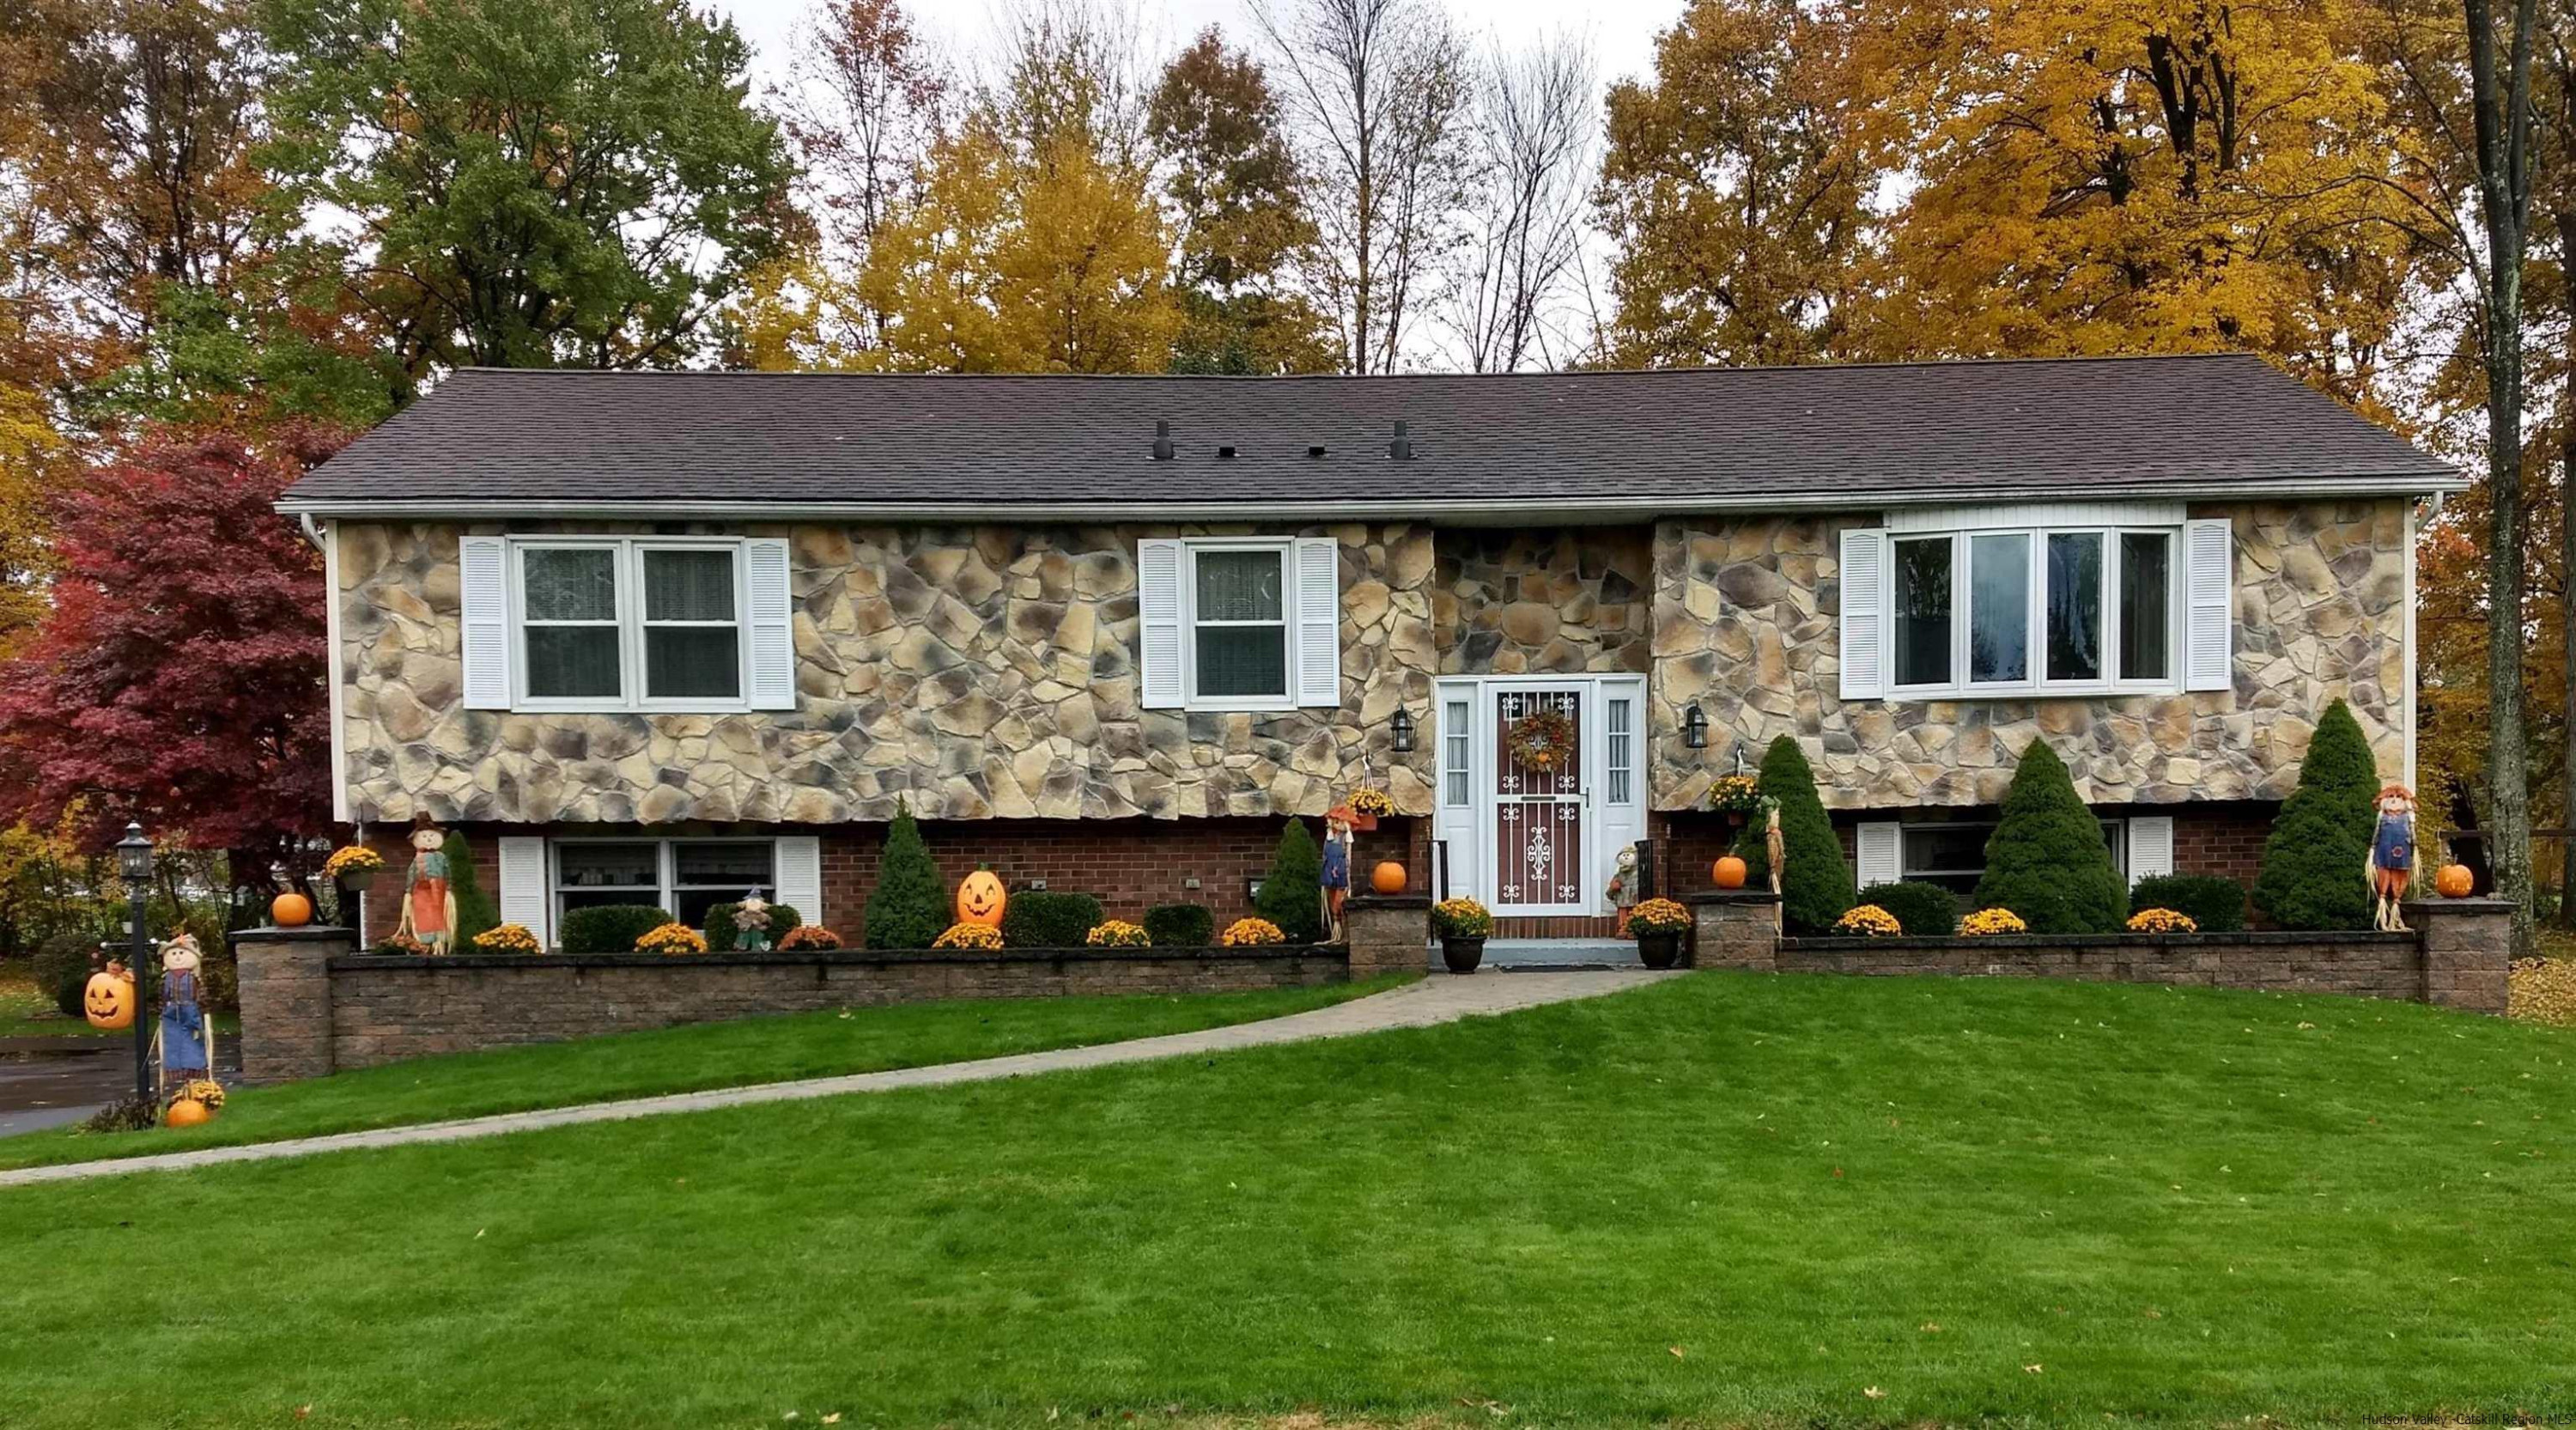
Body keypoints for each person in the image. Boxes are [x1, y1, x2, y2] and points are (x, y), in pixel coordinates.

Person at [395, 813, 458, 955]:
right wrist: (408, 892)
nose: (428, 839)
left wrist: (448, 888)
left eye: (431, 836)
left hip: (439, 890)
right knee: (423, 915)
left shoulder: (441, 857)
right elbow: (412, 874)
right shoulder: (417, 859)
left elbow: (447, 872)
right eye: (424, 837)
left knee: (439, 915)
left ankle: (439, 943)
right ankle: (424, 943)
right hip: (421, 891)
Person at [159, 933, 208, 1082]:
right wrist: (161, 1008)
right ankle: (174, 1070)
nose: (178, 957)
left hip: (190, 1008)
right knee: (172, 1039)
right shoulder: (166, 978)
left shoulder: (193, 978)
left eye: (181, 953)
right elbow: (163, 995)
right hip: (171, 1010)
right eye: (174, 953)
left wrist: (204, 1007)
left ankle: (194, 1069)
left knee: (192, 1038)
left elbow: (201, 994)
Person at [2368, 783, 2417, 933]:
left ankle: (2396, 903)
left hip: (2402, 854)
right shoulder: (2382, 817)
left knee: (2400, 876)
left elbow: (2412, 834)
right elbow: (2377, 834)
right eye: (2391, 797)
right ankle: (2382, 904)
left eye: (2398, 797)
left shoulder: (2408, 817)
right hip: (2383, 853)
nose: (2395, 800)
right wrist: (2372, 847)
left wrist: (2415, 846)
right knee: (2383, 875)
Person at [1320, 806, 1354, 943]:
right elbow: (1325, 855)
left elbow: (1348, 859)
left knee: (1339, 902)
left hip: (1340, 872)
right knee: (1330, 898)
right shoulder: (1328, 837)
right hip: (1329, 872)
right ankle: (1334, 928)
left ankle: (1341, 930)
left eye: (1338, 821)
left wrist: (1346, 871)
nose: (1335, 824)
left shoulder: (1346, 838)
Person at [1605, 843, 1640, 935]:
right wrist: (1612, 889)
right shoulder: (1619, 873)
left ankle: (1633, 929)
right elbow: (1612, 887)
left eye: (1628, 855)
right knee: (1623, 915)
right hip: (1622, 899)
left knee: (1634, 913)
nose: (1626, 857)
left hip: (1634, 899)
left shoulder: (1638, 873)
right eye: (1624, 855)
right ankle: (1623, 929)